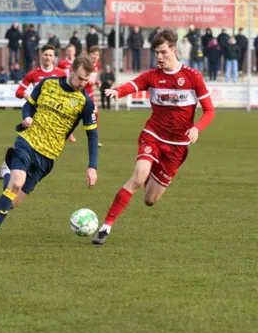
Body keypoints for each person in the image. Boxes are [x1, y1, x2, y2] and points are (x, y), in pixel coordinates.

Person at [91, 29, 215, 246]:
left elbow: (210, 111)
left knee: (150, 200)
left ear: (174, 51)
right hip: (153, 136)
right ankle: (106, 227)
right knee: (138, 177)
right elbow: (134, 85)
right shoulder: (152, 76)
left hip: (177, 147)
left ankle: (151, 173)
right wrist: (117, 92)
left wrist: (197, 128)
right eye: (156, 52)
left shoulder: (192, 77)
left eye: (163, 52)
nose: (159, 57)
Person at [0, 54, 99, 248]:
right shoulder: (47, 84)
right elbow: (29, 105)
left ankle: (7, 172)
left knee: (12, 202)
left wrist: (92, 166)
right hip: (28, 141)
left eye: (86, 80)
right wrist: (27, 117)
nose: (82, 83)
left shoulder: (85, 102)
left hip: (48, 156)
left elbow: (92, 135)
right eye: (79, 78)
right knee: (16, 184)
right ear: (70, 71)